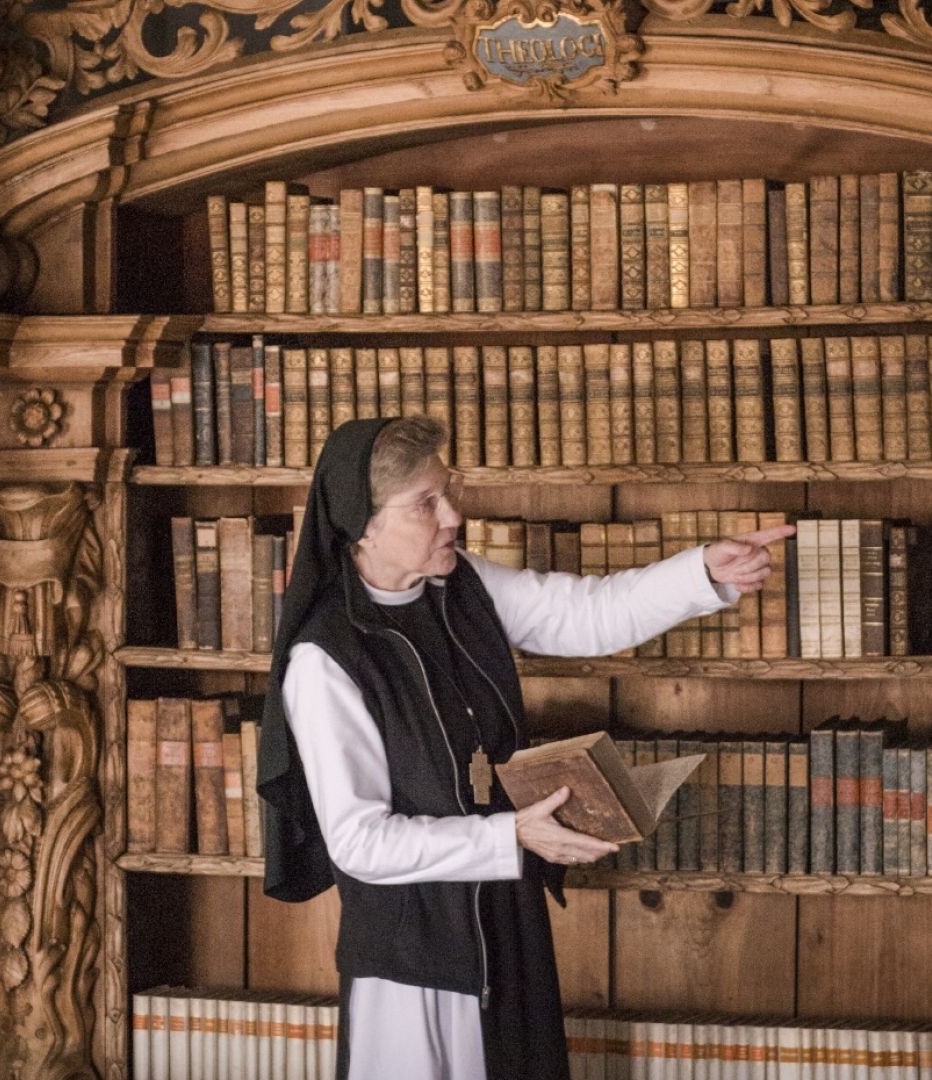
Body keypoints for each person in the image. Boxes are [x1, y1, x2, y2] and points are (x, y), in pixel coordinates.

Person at [257, 416, 794, 1080]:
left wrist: (704, 572)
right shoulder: (327, 658)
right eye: (426, 503)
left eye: (449, 489)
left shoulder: (462, 588)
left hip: (506, 922)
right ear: (362, 523)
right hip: (415, 962)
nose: (454, 513)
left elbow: (586, 614)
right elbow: (360, 843)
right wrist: (513, 836)